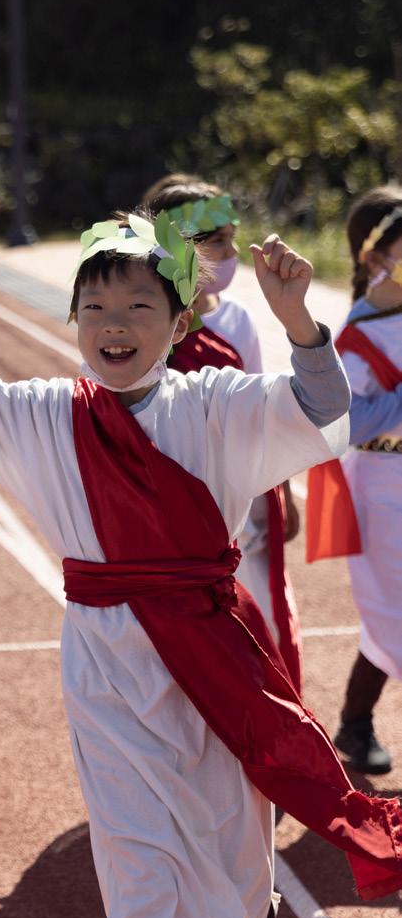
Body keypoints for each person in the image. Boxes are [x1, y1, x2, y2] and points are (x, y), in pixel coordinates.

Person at [0, 208, 402, 918]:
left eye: (137, 307)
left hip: (217, 660)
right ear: (73, 321)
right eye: (94, 308)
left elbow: (319, 406)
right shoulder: (46, 413)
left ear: (178, 321)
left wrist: (296, 320)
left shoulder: (213, 402)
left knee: (231, 864)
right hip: (107, 668)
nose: (114, 325)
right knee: (143, 874)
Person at [141, 175, 305, 690]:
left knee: (260, 625)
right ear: (178, 245)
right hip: (179, 506)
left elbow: (264, 411)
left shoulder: (238, 320)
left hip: (244, 505)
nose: (232, 253)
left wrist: (284, 493)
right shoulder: (146, 324)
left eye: (233, 238)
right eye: (217, 241)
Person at [303, 185, 402, 774]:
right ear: (376, 256)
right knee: (394, 612)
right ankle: (356, 722)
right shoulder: (360, 332)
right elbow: (343, 420)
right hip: (382, 487)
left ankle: (354, 722)